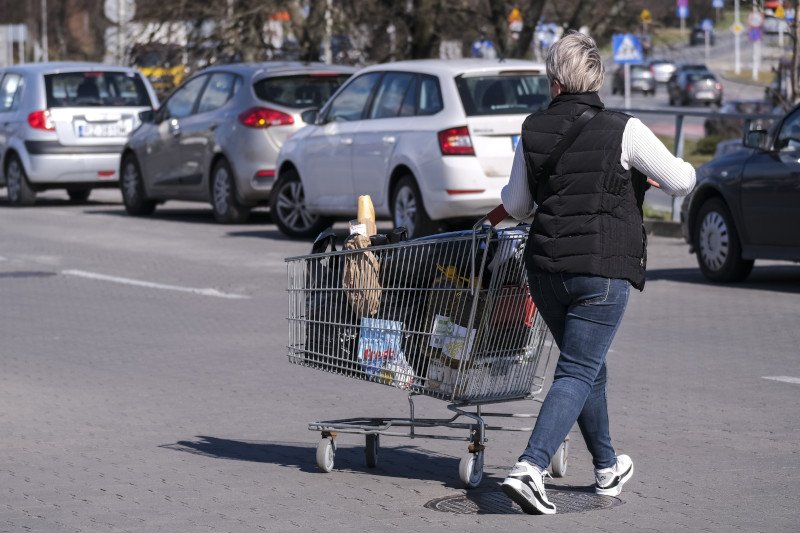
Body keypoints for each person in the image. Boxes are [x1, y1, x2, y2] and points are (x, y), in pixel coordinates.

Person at [499, 31, 695, 515]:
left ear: (555, 80)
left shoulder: (532, 128)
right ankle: (530, 467)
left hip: (546, 271)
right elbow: (679, 182)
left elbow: (518, 205)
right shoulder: (625, 129)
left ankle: (607, 467)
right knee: (578, 369)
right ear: (597, 79)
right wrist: (670, 169)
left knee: (588, 367)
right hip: (601, 271)